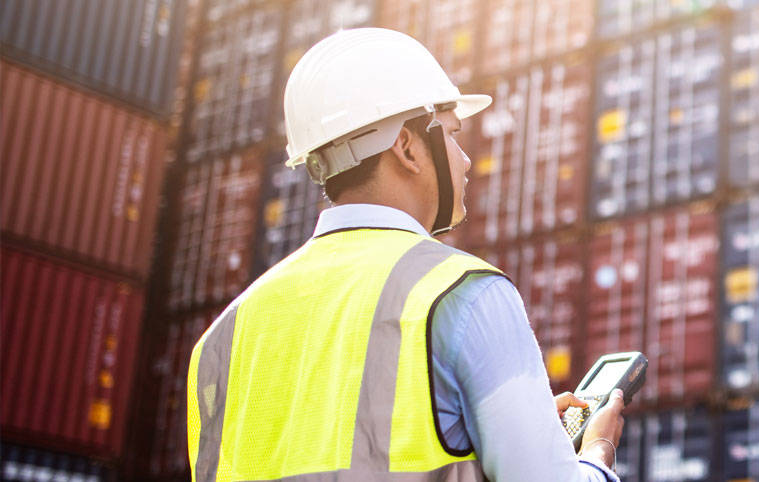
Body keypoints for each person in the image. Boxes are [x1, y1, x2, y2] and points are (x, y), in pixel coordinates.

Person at [185, 28, 624, 481]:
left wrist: (520, 437)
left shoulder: (220, 341)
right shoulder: (462, 294)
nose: (466, 159)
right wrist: (595, 454)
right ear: (407, 147)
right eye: (453, 135)